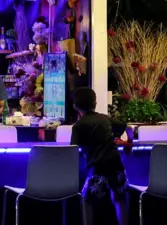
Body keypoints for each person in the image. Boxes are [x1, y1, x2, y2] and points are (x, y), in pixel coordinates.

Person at [70, 87, 134, 225]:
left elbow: (72, 150)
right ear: (95, 103)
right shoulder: (105, 119)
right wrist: (129, 144)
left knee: (86, 199)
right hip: (115, 165)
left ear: (75, 106)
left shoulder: (78, 126)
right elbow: (129, 129)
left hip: (96, 169)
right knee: (119, 199)